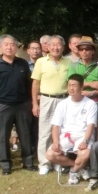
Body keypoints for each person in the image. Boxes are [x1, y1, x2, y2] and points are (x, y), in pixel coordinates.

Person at [0, 35, 36, 175]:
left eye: (12, 44)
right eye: (6, 44)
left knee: (25, 135)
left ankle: (28, 162)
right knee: (2, 136)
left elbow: (28, 84)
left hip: (22, 105)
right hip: (3, 106)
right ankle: (6, 165)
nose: (9, 47)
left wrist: (30, 102)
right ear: (1, 46)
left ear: (16, 47)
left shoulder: (22, 63)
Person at [45, 74, 98, 186]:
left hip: (83, 135)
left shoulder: (90, 104)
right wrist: (55, 142)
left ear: (82, 87)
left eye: (74, 85)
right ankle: (78, 166)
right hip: (66, 136)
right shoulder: (62, 104)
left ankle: (73, 171)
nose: (71, 88)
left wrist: (85, 141)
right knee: (50, 154)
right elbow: (56, 126)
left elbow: (90, 125)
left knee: (84, 154)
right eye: (69, 85)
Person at [31, 35, 72, 175]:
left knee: (61, 132)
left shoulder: (68, 62)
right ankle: (44, 162)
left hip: (63, 99)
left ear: (63, 47)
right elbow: (35, 84)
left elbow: (71, 83)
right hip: (46, 99)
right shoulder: (41, 62)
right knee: (45, 132)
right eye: (52, 45)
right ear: (47, 47)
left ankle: (57, 160)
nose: (55, 47)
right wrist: (35, 104)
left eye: (58, 44)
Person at [69, 37, 98, 102]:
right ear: (79, 51)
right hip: (77, 100)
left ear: (93, 51)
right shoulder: (73, 66)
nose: (84, 51)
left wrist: (92, 93)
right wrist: (90, 84)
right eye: (81, 49)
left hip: (95, 100)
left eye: (87, 49)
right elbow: (71, 84)